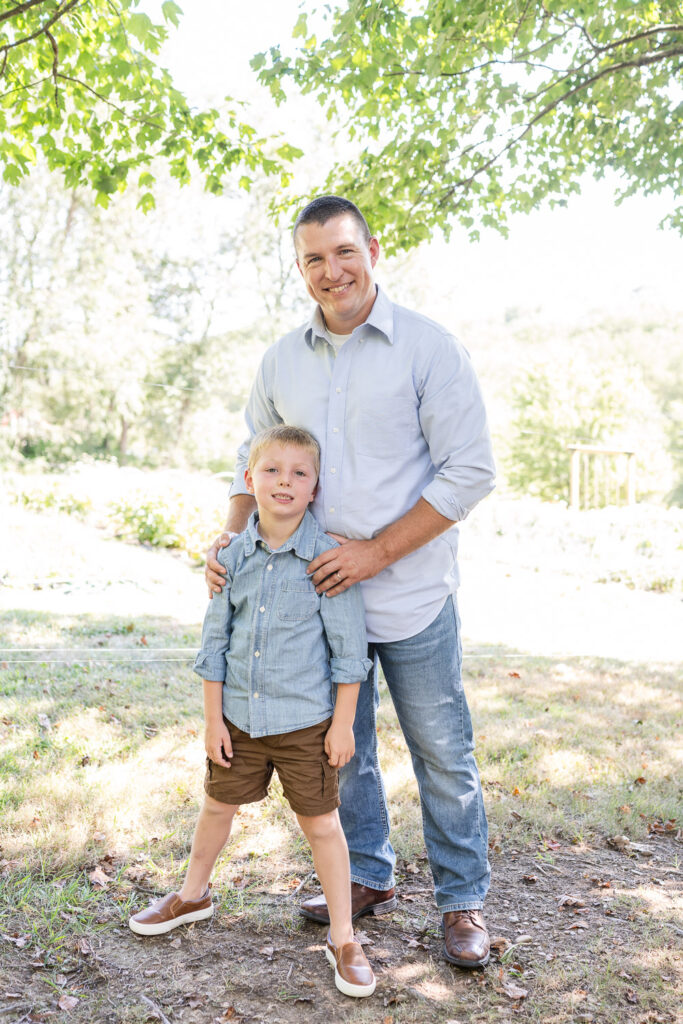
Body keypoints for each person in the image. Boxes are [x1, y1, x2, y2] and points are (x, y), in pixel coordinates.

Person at [205, 196, 496, 968]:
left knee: (441, 748)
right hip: (315, 602)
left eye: (342, 252)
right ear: (299, 268)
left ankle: (463, 899)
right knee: (344, 748)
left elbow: (470, 471)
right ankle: (367, 873)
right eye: (312, 260)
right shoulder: (280, 361)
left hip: (410, 596)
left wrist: (375, 553)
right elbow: (251, 455)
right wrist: (231, 537)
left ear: (371, 248)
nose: (330, 272)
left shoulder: (430, 350)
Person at [130, 425, 376, 999]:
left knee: (322, 825)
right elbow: (214, 644)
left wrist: (342, 724)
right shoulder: (230, 557)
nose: (284, 482)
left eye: (299, 473)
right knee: (216, 807)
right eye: (271, 470)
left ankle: (344, 938)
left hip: (304, 725)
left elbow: (349, 653)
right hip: (238, 718)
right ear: (249, 480)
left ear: (315, 487)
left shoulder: (327, 559)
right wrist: (213, 720)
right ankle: (192, 895)